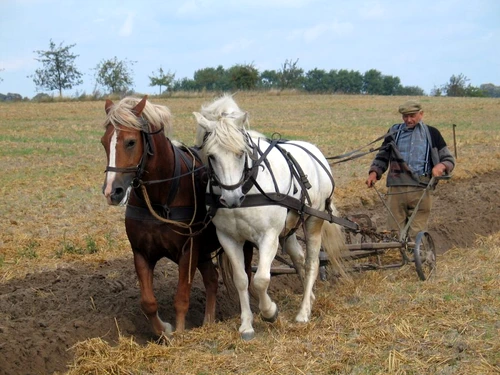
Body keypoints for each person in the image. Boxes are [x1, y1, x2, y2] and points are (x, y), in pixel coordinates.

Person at [365, 100, 455, 239]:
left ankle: (414, 256)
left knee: (416, 232)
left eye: (412, 116)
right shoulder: (394, 132)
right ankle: (397, 256)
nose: (408, 120)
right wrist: (374, 173)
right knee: (393, 232)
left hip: (421, 188)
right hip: (397, 188)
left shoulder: (432, 133)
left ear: (421, 114)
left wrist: (440, 166)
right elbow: (382, 155)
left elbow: (448, 159)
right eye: (405, 116)